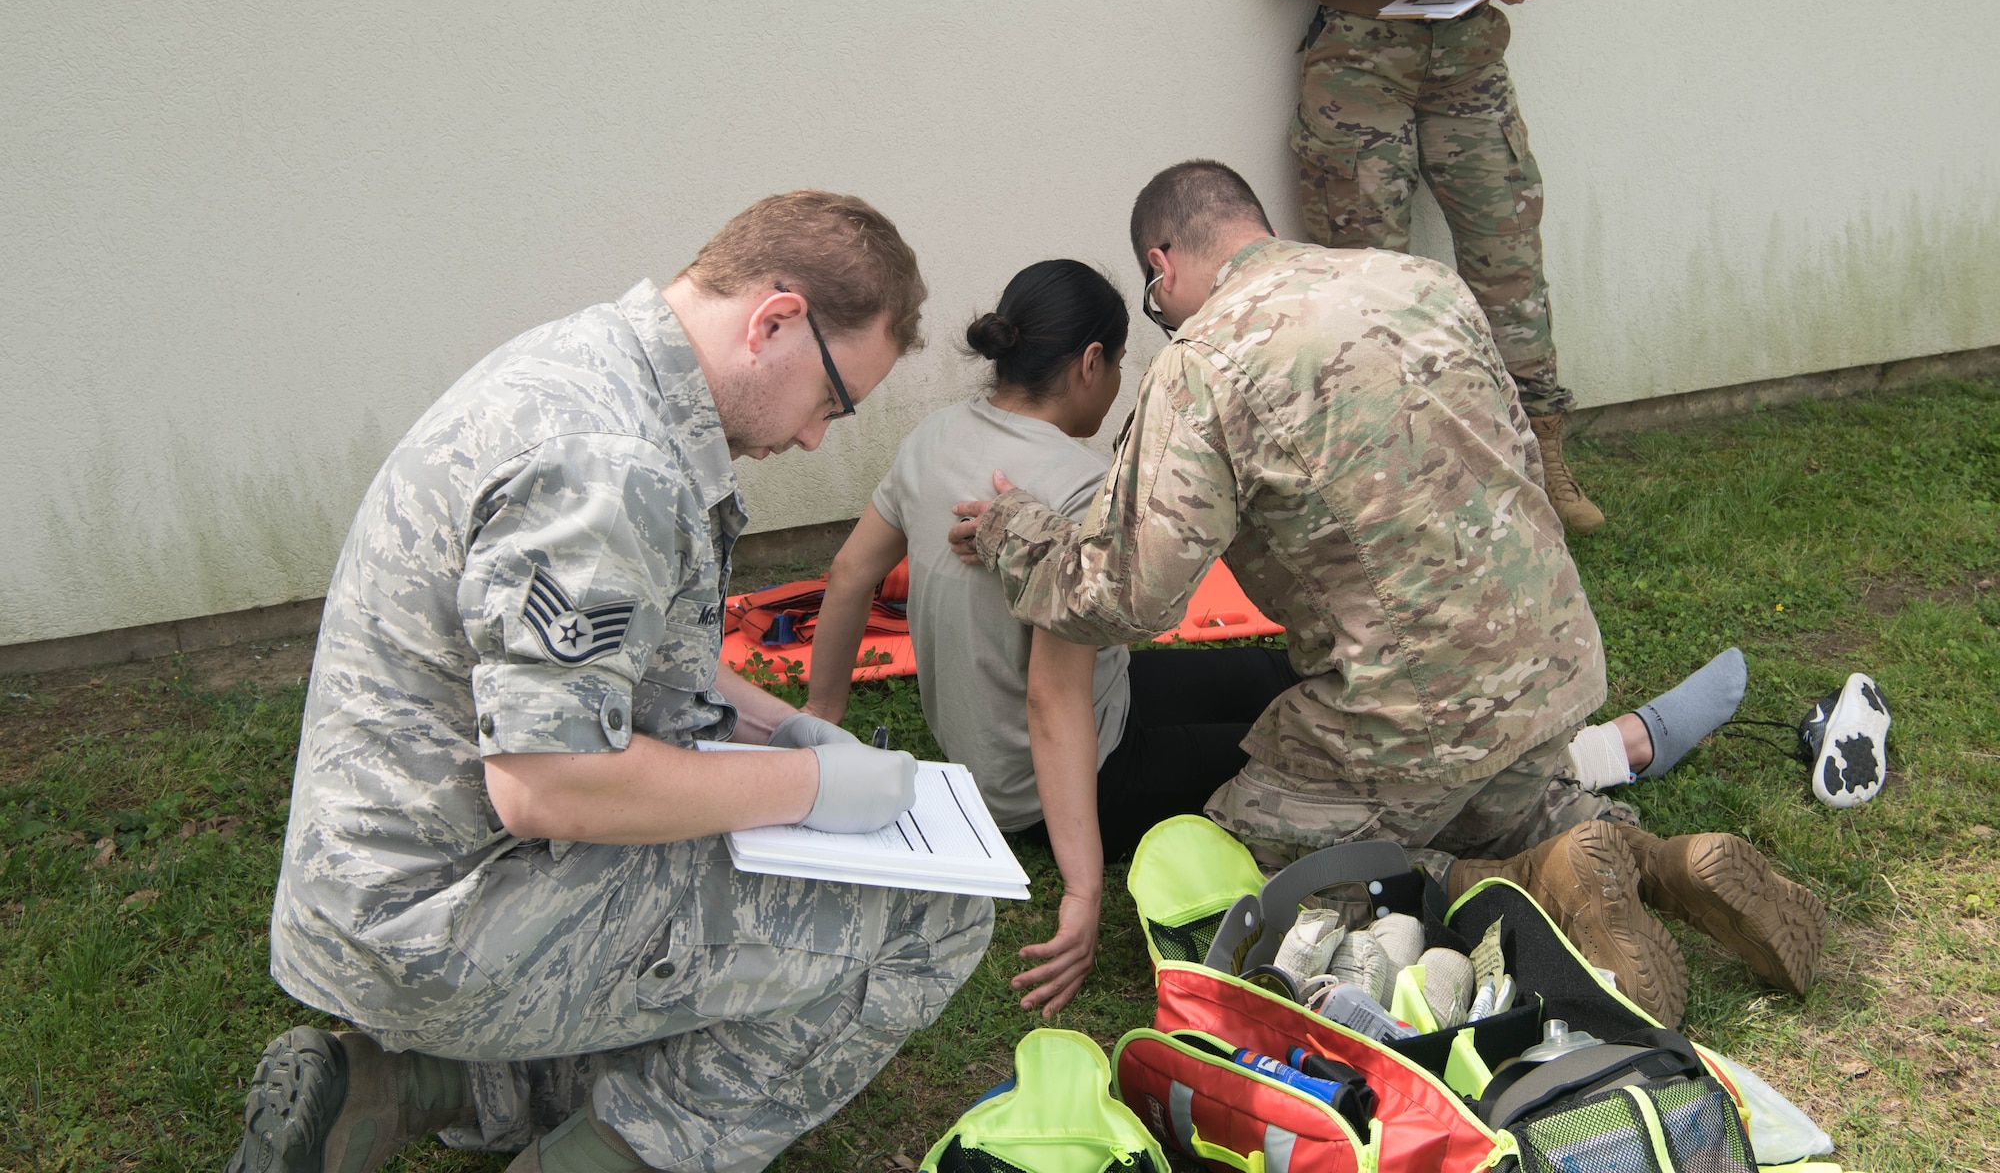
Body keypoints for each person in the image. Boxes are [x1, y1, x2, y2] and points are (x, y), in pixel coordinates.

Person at [948, 162, 1825, 1027]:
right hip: (1550, 673)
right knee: (1495, 801)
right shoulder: (1422, 283)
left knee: (1244, 856)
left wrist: (1011, 530)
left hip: (1409, 719)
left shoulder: (1205, 360)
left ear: (1160, 265)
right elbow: (1521, 462)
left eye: (1156, 300)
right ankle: (1662, 859)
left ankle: (1509, 886)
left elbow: (1129, 597)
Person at [227, 193, 993, 1173]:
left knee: (730, 892)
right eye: (831, 403)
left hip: (400, 882)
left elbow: (629, 652)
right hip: (441, 918)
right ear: (774, 322)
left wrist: (777, 726)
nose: (813, 439)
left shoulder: (597, 368)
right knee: (930, 914)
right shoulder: (612, 465)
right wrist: (809, 790)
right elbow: (550, 783)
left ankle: (386, 1091)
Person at [806, 260, 1297, 1019]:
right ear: (1090, 362)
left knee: (1279, 674)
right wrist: (1083, 890)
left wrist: (820, 721)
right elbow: (1050, 696)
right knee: (1296, 744)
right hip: (1053, 782)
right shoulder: (1078, 479)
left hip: (1007, 743)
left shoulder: (934, 436)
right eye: (1121, 362)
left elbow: (846, 577)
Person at [1270, 0, 1604, 533]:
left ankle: (1541, 460)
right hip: (1361, 65)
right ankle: (1381, 477)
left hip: (1467, 58)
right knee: (1366, 277)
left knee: (1508, 256)